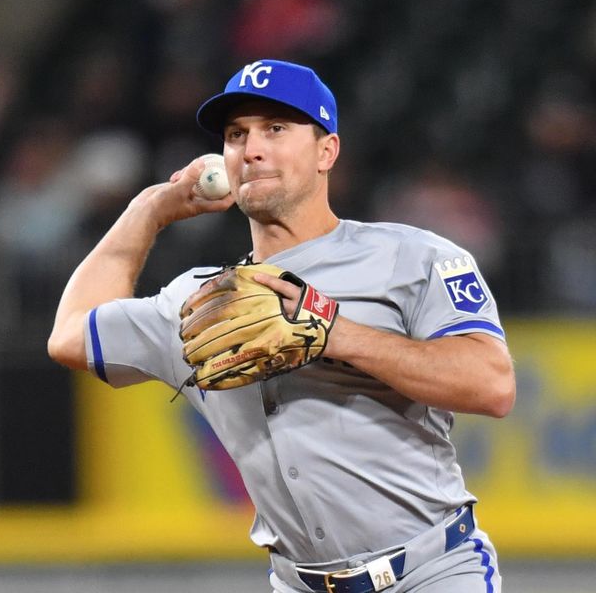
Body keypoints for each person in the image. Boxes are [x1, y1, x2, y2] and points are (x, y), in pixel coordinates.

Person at [48, 59, 515, 593]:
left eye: (275, 128)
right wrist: (149, 209)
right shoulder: (203, 301)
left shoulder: (412, 258)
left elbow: (493, 385)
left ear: (326, 151)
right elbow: (69, 336)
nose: (252, 149)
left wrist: (337, 334)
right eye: (236, 133)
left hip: (432, 572)